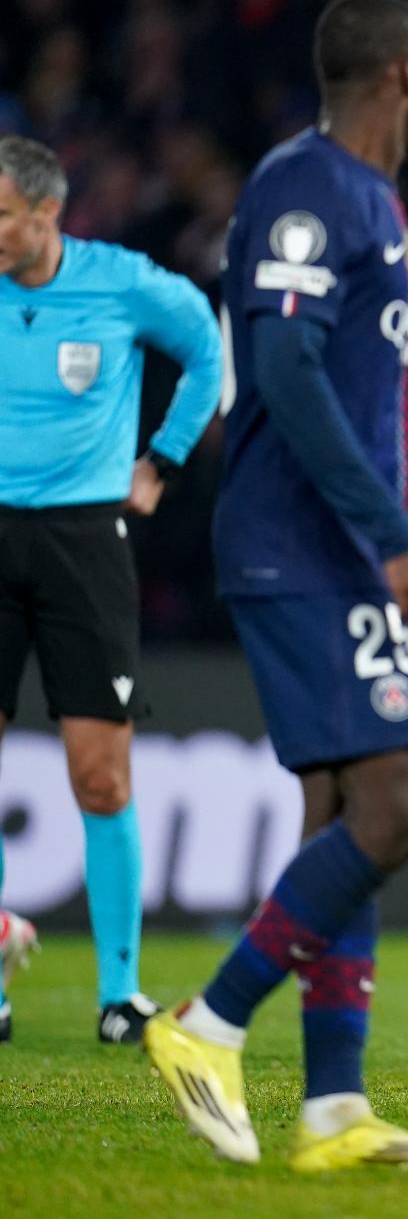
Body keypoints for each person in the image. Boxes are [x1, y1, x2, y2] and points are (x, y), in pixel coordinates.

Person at [142, 0, 408, 1172]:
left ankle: (334, 1109)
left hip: (348, 552)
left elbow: (367, 408)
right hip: (302, 547)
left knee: (346, 818)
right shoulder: (309, 186)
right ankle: (209, 1021)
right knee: (401, 809)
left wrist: (402, 560)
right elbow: (278, 365)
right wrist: (398, 541)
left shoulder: (374, 204)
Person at [0, 134, 222, 1045]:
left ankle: (119, 992)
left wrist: (162, 459)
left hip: (85, 543)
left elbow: (207, 349)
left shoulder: (122, 282)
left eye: (3, 217)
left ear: (48, 214)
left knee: (101, 773)